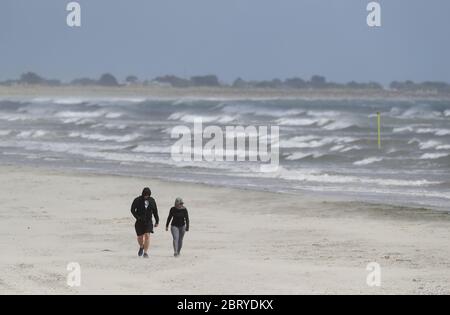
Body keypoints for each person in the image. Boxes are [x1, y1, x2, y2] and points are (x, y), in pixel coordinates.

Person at [130, 187, 159, 258]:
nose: (146, 196)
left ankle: (145, 253)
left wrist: (157, 220)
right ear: (143, 194)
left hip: (148, 221)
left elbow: (155, 211)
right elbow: (132, 210)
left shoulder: (152, 200)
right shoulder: (137, 200)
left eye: (148, 195)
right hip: (139, 222)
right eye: (145, 195)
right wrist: (137, 217)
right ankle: (141, 246)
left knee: (147, 235)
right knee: (140, 237)